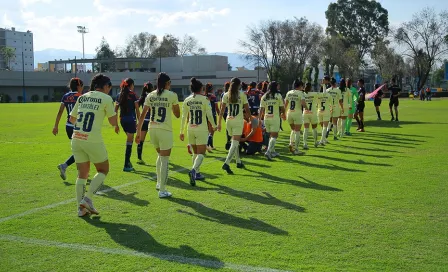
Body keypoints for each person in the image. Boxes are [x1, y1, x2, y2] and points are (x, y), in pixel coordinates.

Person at [70, 74, 119, 217]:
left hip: (76, 137)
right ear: (105, 86)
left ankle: (81, 209)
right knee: (103, 169)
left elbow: (72, 119)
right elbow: (113, 122)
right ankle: (88, 199)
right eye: (109, 87)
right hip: (92, 139)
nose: (109, 90)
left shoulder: (82, 97)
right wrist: (115, 109)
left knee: (82, 174)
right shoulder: (106, 98)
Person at [136, 72, 180, 198]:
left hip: (152, 129)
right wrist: (171, 105)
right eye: (170, 83)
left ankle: (158, 183)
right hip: (164, 130)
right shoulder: (172, 95)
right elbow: (177, 114)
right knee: (165, 159)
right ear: (167, 83)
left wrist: (138, 132)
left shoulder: (150, 95)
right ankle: (162, 189)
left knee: (160, 156)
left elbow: (143, 114)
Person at [180, 78, 217, 186]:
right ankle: (193, 171)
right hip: (201, 129)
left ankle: (198, 173)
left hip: (190, 128)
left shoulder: (187, 99)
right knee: (201, 153)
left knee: (195, 153)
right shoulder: (205, 99)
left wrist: (181, 131)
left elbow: (184, 117)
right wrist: (214, 126)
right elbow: (209, 115)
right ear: (201, 88)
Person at [53, 77, 83, 180]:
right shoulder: (81, 97)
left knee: (79, 149)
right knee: (81, 150)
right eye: (81, 86)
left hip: (68, 126)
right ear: (79, 86)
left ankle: (80, 172)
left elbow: (60, 111)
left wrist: (56, 126)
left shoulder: (65, 96)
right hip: (78, 126)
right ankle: (64, 166)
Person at [218, 77, 250, 174]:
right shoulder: (242, 95)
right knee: (235, 142)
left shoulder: (226, 94)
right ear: (239, 85)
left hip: (229, 120)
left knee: (234, 142)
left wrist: (219, 123)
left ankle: (238, 162)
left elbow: (221, 110)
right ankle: (227, 163)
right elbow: (247, 109)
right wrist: (251, 118)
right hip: (238, 121)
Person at [115, 78, 140, 172]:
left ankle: (128, 162)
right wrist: (139, 123)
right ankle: (126, 164)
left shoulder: (119, 95)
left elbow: (115, 111)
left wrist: (116, 125)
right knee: (129, 142)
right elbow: (137, 110)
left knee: (130, 139)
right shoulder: (133, 95)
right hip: (131, 120)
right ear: (131, 85)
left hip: (122, 121)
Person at [260, 81, 285, 160]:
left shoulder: (264, 96)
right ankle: (268, 151)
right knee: (274, 135)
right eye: (278, 86)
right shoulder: (278, 95)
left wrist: (259, 119)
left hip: (266, 118)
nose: (279, 87)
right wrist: (283, 114)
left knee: (271, 135)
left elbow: (261, 109)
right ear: (275, 87)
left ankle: (273, 151)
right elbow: (282, 107)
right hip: (275, 118)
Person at [284, 79, 307, 154]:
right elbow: (303, 103)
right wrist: (307, 109)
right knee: (297, 131)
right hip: (297, 113)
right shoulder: (300, 93)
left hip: (289, 113)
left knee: (293, 130)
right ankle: (296, 149)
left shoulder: (289, 92)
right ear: (300, 86)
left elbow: (285, 104)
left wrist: (283, 113)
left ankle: (291, 143)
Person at [136, 81, 153, 165]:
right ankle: (162, 156)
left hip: (143, 121)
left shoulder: (142, 97)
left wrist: (138, 116)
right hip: (152, 121)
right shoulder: (152, 96)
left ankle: (139, 157)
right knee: (158, 139)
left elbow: (136, 105)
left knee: (141, 140)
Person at [302, 82, 320, 148]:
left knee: (306, 129)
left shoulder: (303, 94)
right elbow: (323, 94)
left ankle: (305, 143)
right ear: (311, 87)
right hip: (313, 113)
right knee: (314, 128)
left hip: (305, 113)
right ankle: (315, 142)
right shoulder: (314, 94)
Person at [205, 83, 219, 152]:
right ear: (212, 89)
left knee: (208, 130)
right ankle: (208, 144)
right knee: (212, 131)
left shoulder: (204, 96)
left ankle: (211, 145)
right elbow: (216, 107)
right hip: (212, 114)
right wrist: (219, 114)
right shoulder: (213, 96)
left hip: (205, 115)